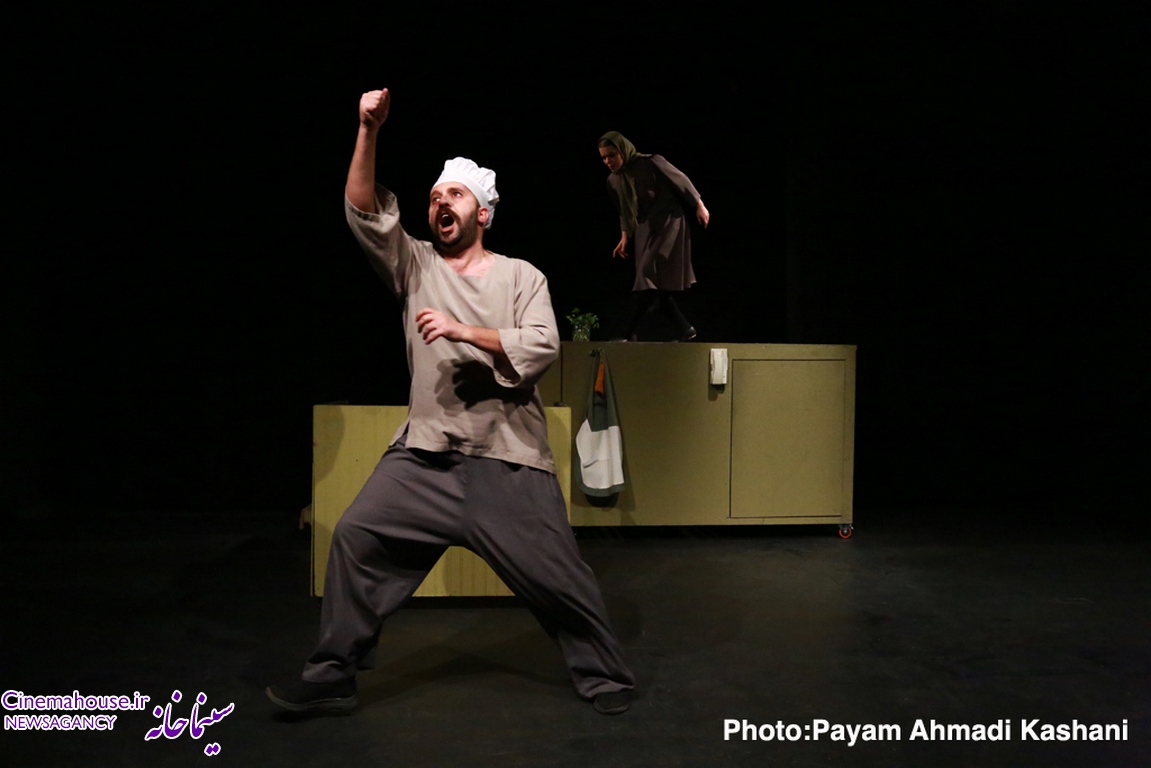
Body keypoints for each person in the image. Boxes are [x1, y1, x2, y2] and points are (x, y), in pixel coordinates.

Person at [266, 88, 635, 717]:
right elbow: (362, 209)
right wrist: (367, 130)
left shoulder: (522, 276)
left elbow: (542, 344)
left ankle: (605, 676)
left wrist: (465, 331)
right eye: (435, 196)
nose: (441, 203)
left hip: (507, 459)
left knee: (560, 578)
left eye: (455, 195)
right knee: (356, 536)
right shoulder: (415, 266)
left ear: (482, 212)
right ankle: (332, 674)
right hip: (424, 458)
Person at [598, 131, 710, 342]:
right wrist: (624, 236)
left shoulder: (649, 162)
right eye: (603, 157)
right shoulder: (613, 180)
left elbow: (680, 179)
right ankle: (686, 329)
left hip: (668, 222)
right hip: (644, 228)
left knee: (647, 274)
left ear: (623, 150)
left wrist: (698, 204)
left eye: (612, 155)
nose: (608, 161)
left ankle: (627, 333)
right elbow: (624, 210)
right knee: (655, 285)